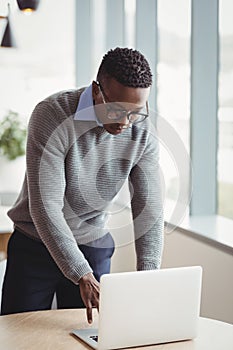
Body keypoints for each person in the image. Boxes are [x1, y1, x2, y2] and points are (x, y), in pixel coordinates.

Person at [1, 47, 164, 323]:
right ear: (96, 90)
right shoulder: (51, 115)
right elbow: (46, 206)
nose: (125, 122)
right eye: (116, 110)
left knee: (93, 335)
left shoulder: (142, 130)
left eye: (136, 112)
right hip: (35, 246)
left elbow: (149, 208)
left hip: (93, 244)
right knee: (16, 334)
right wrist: (80, 272)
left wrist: (148, 275)